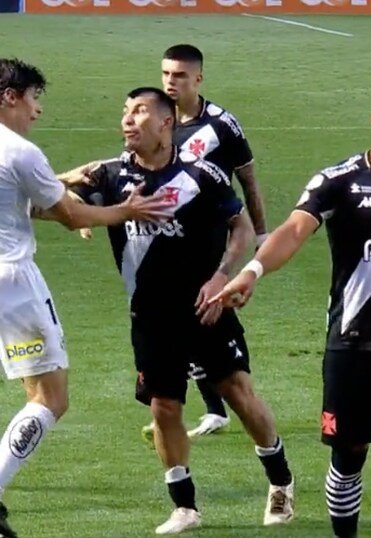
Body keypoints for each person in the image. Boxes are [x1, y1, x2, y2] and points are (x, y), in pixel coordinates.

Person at [210, 85, 371, 538]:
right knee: (349, 454)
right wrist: (253, 271)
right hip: (351, 341)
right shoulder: (337, 180)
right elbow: (293, 231)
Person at [71, 87, 293, 534]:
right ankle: (185, 507)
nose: (127, 120)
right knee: (164, 408)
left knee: (238, 394)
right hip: (149, 316)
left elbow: (240, 226)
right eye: (124, 112)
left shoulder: (202, 174)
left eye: (139, 112)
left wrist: (223, 275)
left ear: (166, 122)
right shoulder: (110, 175)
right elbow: (53, 196)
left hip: (205, 307)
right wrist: (84, 209)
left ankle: (281, 483)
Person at [0, 59, 168, 538]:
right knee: (50, 398)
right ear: (10, 97)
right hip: (12, 285)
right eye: (33, 99)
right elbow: (71, 216)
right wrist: (127, 209)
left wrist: (62, 184)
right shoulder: (19, 151)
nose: (37, 111)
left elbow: (25, 204)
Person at [145, 43, 268, 438]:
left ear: (198, 78)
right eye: (166, 74)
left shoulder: (222, 125)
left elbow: (248, 180)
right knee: (184, 319)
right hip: (168, 239)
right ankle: (214, 407)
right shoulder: (157, 121)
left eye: (180, 75)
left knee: (203, 315)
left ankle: (227, 400)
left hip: (212, 239)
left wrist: (262, 235)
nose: (171, 82)